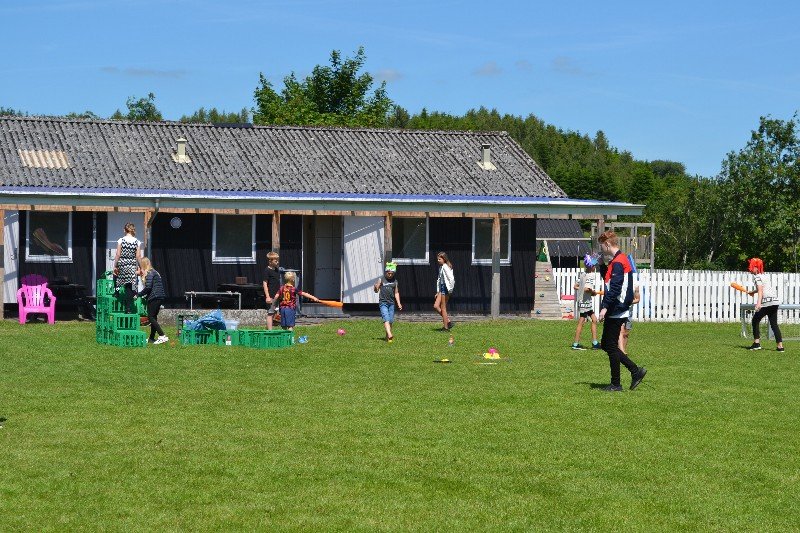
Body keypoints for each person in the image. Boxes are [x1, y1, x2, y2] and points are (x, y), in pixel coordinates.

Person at [597, 231, 647, 392]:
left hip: (616, 308)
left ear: (607, 244)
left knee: (610, 345)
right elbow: (609, 280)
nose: (601, 250)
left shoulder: (618, 262)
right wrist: (601, 265)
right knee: (607, 344)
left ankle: (617, 383)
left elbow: (615, 288)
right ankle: (634, 371)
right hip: (618, 307)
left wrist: (604, 307)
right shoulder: (617, 260)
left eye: (601, 246)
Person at [746, 257, 784, 352]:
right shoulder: (764, 276)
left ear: (756, 267)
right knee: (774, 324)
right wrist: (752, 292)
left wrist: (758, 303)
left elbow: (760, 290)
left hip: (767, 303)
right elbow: (763, 288)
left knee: (755, 320)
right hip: (774, 302)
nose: (749, 269)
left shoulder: (757, 277)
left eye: (751, 266)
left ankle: (756, 344)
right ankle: (780, 347)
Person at [135, 257, 168, 345]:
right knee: (153, 317)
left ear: (143, 265)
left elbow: (148, 287)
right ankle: (151, 338)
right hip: (159, 296)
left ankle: (162, 335)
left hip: (155, 297)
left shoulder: (149, 273)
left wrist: (138, 295)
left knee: (151, 317)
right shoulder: (154, 272)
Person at [572, 253, 601, 350]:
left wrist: (590, 292)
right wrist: (592, 292)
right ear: (590, 266)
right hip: (584, 302)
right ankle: (576, 344)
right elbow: (584, 288)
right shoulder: (588, 276)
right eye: (594, 265)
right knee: (582, 321)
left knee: (594, 319)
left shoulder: (584, 274)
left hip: (586, 301)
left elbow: (577, 286)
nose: (595, 267)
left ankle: (594, 343)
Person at [113, 222, 142, 315]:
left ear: (124, 230)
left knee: (116, 276)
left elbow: (118, 254)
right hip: (132, 265)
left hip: (122, 263)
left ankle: (116, 291)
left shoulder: (121, 240)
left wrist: (115, 265)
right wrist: (141, 267)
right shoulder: (137, 242)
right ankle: (128, 308)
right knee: (129, 285)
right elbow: (138, 256)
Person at [374, 262, 403, 342]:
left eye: (392, 274)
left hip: (391, 303)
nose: (390, 275)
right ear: (386, 272)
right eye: (388, 273)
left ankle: (388, 337)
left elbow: (396, 293)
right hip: (383, 302)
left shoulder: (395, 281)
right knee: (386, 318)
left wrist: (399, 303)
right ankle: (390, 334)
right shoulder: (381, 279)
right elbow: (376, 291)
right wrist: (376, 287)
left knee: (390, 320)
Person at [434, 251, 455, 331]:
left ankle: (446, 328)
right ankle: (448, 321)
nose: (438, 260)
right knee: (436, 306)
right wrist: (438, 291)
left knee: (443, 307)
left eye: (439, 259)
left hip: (445, 288)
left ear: (444, 259)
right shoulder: (441, 267)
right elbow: (439, 280)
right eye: (438, 259)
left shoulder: (446, 267)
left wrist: (450, 289)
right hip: (442, 288)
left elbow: (451, 279)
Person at [619, 285, 641, 355]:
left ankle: (623, 351)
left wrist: (628, 302)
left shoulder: (635, 286)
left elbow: (637, 299)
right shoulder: (619, 284)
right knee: (621, 331)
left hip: (629, 313)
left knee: (626, 333)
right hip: (620, 312)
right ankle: (621, 351)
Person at [263, 251, 282, 330]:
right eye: (275, 260)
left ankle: (268, 328)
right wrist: (267, 296)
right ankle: (270, 331)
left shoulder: (277, 270)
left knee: (275, 311)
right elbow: (265, 284)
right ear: (270, 261)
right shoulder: (267, 270)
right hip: (271, 295)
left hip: (277, 295)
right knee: (270, 313)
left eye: (277, 260)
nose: (277, 262)